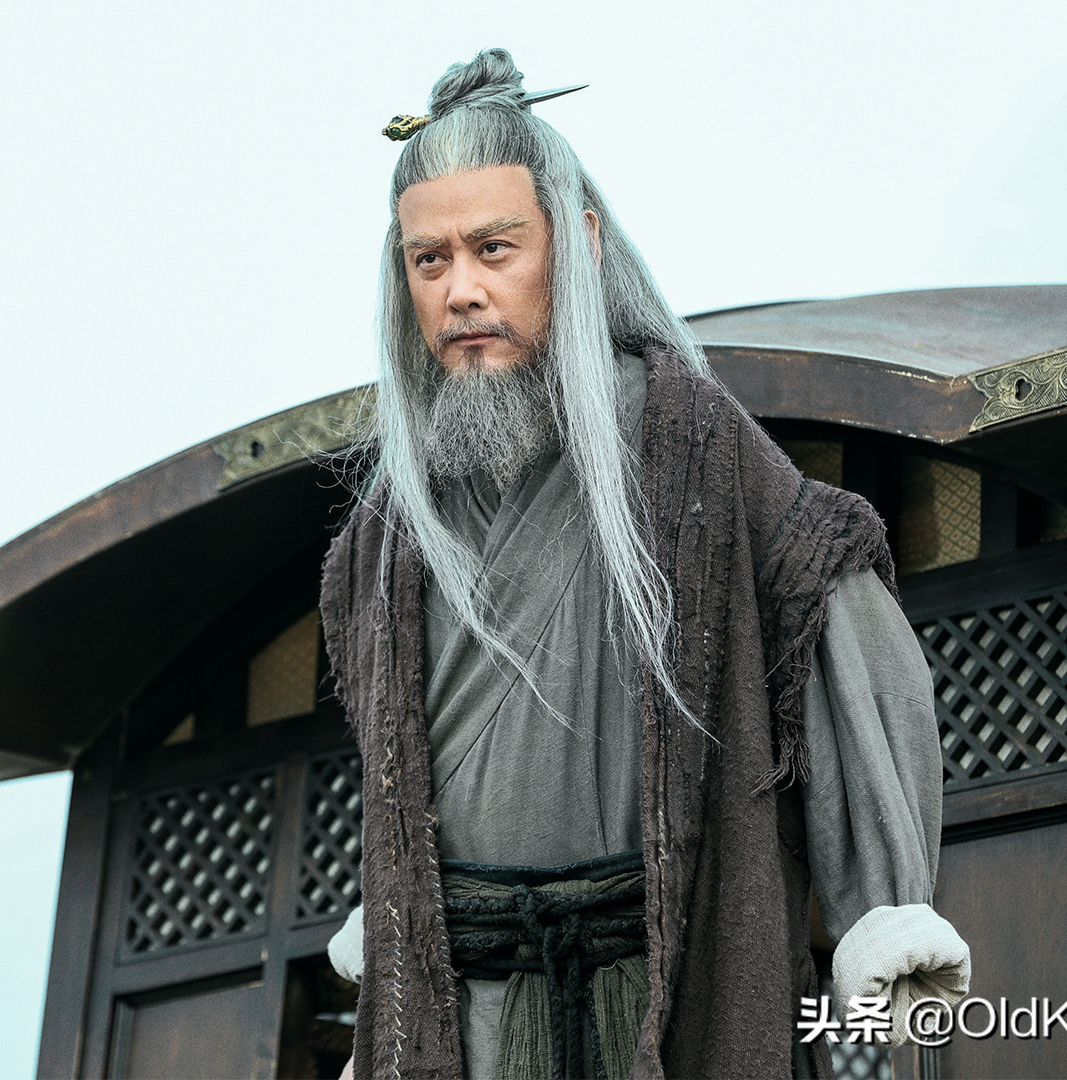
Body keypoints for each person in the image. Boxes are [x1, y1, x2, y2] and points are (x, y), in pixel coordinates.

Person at [319, 49, 970, 1079]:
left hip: (655, 984)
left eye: (494, 248)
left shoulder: (685, 441)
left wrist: (879, 901)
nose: (461, 291)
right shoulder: (383, 536)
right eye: (428, 260)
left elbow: (825, 579)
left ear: (576, 243)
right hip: (464, 1011)